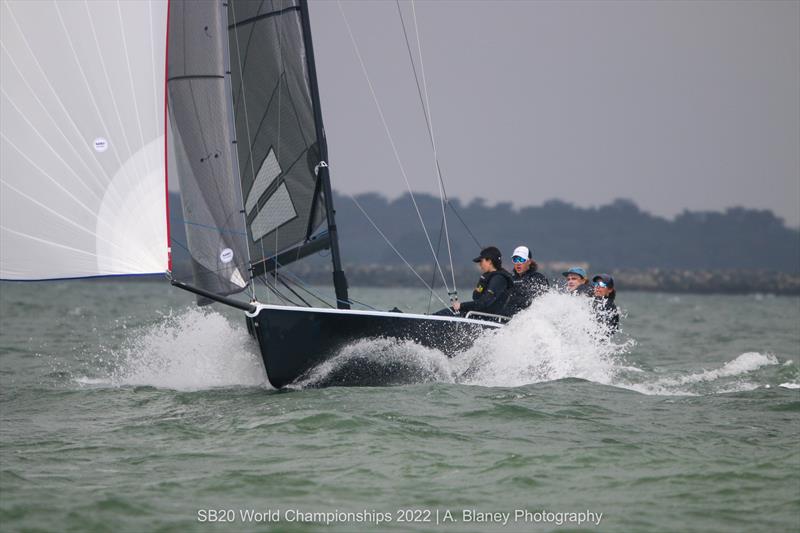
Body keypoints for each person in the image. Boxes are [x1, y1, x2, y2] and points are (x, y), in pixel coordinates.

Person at [437, 246, 513, 318]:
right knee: (444, 313)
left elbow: (484, 303)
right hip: (480, 314)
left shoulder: (499, 279)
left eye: (481, 261)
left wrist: (461, 306)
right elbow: (476, 296)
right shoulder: (487, 277)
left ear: (489, 261)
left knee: (451, 312)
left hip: (488, 318)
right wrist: (481, 284)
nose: (480, 264)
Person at [505, 245, 549, 316]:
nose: (518, 263)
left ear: (529, 262)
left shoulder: (538, 278)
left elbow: (539, 301)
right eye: (515, 260)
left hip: (528, 319)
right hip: (506, 319)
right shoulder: (510, 278)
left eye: (521, 260)